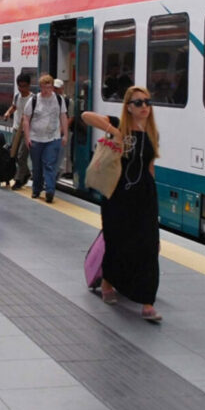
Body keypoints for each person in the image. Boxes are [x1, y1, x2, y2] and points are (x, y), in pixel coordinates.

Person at [80, 87, 161, 321]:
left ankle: (147, 302)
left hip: (144, 196)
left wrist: (154, 201)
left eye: (147, 102)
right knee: (117, 241)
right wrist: (114, 131)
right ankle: (107, 282)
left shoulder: (152, 133)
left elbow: (150, 166)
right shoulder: (118, 125)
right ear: (128, 107)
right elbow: (86, 116)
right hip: (118, 195)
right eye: (138, 103)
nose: (144, 106)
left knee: (148, 246)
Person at [22, 74, 68, 203]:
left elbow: (63, 116)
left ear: (52, 87)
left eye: (49, 87)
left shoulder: (59, 99)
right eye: (44, 87)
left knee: (49, 165)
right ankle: (36, 190)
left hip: (53, 138)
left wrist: (65, 135)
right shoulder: (34, 100)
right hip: (36, 138)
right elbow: (26, 119)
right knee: (37, 167)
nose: (47, 90)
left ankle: (49, 191)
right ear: (40, 87)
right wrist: (27, 137)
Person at [2, 73, 33, 190]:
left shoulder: (32, 99)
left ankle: (19, 179)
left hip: (27, 131)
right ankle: (26, 173)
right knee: (13, 154)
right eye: (19, 86)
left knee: (21, 155)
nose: (21, 89)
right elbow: (14, 106)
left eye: (24, 86)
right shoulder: (17, 96)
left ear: (29, 85)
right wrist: (8, 113)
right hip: (16, 129)